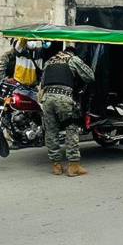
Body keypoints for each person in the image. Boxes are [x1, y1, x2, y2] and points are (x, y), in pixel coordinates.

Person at [39, 42, 95, 177]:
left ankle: (56, 166)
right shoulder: (72, 59)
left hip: (46, 99)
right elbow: (90, 76)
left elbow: (42, 82)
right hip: (63, 98)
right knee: (71, 128)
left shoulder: (49, 62)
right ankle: (73, 166)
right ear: (72, 52)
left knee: (51, 131)